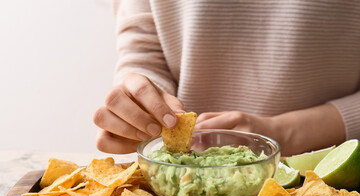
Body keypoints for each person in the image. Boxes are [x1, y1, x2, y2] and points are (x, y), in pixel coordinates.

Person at [94, 0, 360, 156]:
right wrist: (143, 105)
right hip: (177, 174)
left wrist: (283, 133)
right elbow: (146, 51)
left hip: (331, 172)